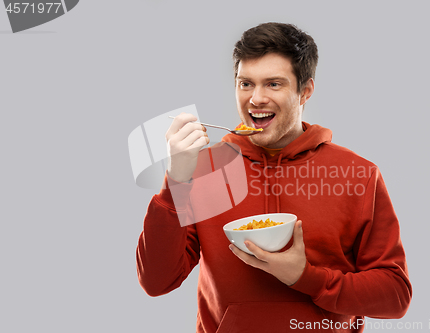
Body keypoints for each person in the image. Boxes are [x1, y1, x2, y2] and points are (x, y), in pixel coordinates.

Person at [136, 22, 412, 332]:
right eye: (246, 84)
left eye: (274, 84)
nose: (256, 98)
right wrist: (176, 179)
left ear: (304, 91)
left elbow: (395, 295)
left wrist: (305, 277)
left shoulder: (357, 174)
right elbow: (156, 281)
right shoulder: (203, 170)